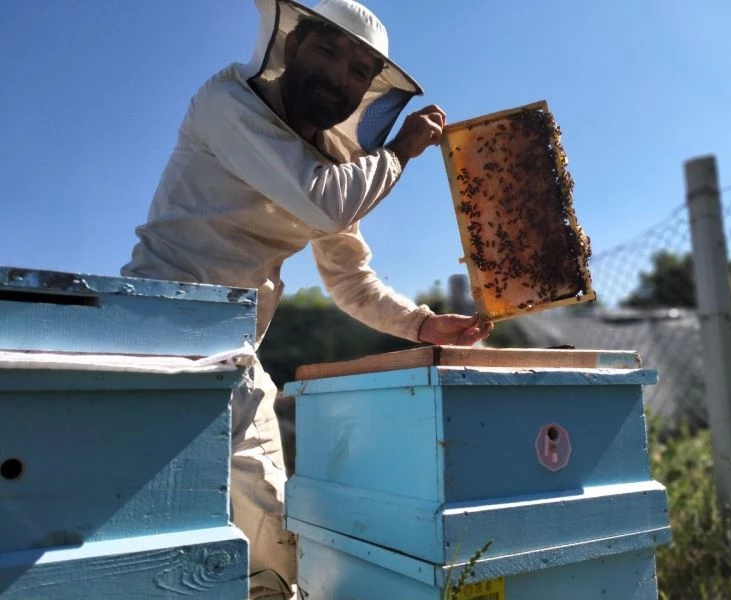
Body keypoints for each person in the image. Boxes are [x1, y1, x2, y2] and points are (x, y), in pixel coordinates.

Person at [121, 0, 492, 597]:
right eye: (328, 52)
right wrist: (399, 152)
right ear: (291, 47)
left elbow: (349, 278)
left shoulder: (335, 162)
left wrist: (423, 326)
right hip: (153, 338)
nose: (340, 78)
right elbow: (323, 201)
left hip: (236, 359)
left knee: (274, 551)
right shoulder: (227, 103)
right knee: (141, 546)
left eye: (359, 71)